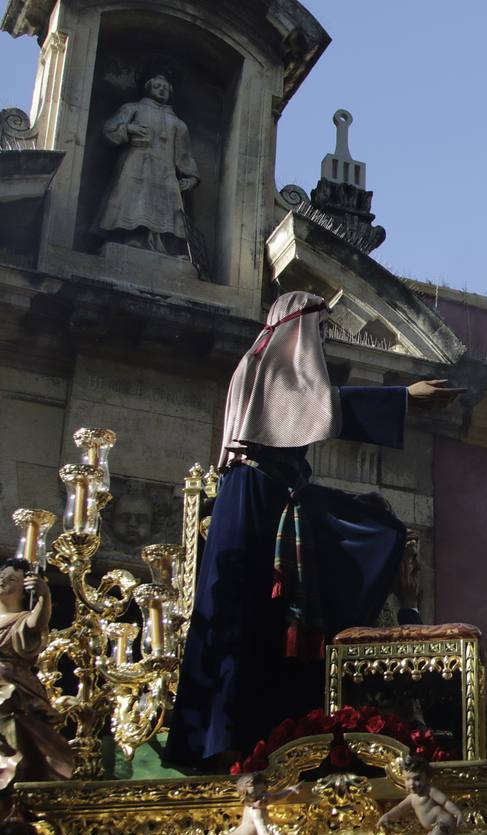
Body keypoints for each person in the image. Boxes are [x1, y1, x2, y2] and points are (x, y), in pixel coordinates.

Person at [167, 292, 461, 768]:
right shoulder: (265, 366)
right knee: (245, 623)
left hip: (272, 503)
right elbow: (316, 408)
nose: (321, 344)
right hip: (256, 510)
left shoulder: (266, 371)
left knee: (372, 527)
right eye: (319, 333)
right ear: (295, 328)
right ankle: (233, 740)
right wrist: (404, 397)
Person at [97, 73, 199, 257]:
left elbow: (185, 156)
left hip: (166, 172)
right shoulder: (132, 108)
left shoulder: (178, 124)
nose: (162, 90)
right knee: (134, 201)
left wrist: (191, 178)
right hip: (136, 164)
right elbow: (110, 131)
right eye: (158, 86)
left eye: (166, 88)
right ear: (148, 88)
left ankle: (160, 246)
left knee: (166, 209)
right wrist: (128, 129)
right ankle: (131, 240)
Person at [0, 558, 74, 786]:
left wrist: (44, 597)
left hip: (9, 683)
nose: (3, 581)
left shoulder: (21, 620)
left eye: (12, 579)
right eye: (1, 577)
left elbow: (36, 624)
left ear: (24, 590)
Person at [378, 755, 463, 835]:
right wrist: (386, 816)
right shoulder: (412, 797)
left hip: (444, 822)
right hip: (434, 827)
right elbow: (399, 808)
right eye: (408, 779)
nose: (412, 784)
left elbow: (445, 802)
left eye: (417, 779)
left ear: (427, 778)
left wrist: (458, 812)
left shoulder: (430, 791)